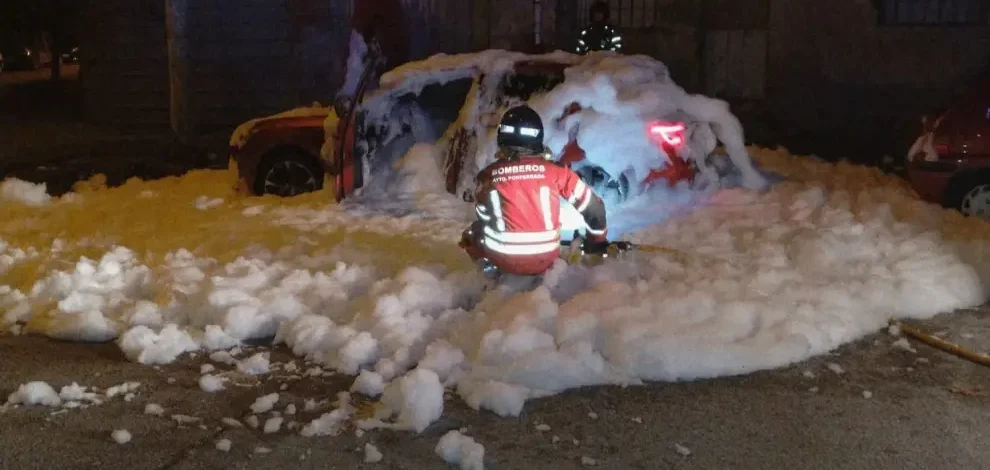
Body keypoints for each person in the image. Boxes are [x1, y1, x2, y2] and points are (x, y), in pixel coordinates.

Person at [459, 105, 610, 277]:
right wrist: (596, 244)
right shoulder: (557, 172)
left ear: (502, 137)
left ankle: (488, 276)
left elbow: (484, 215)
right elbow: (595, 209)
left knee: (474, 231)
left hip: (502, 260)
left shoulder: (487, 175)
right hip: (545, 259)